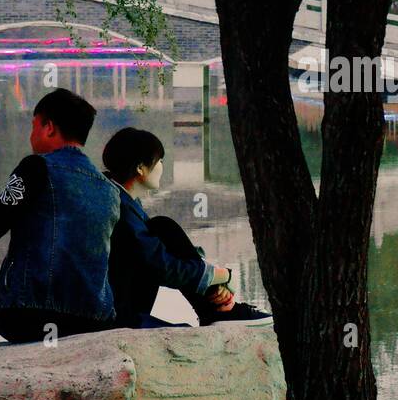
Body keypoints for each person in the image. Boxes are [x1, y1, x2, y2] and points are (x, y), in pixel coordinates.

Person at [0, 88, 121, 348]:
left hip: (29, 318)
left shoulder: (36, 168)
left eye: (34, 126)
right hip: (93, 323)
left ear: (49, 128)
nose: (32, 135)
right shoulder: (109, 189)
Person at [102, 127, 272, 326]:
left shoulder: (119, 197)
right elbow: (162, 267)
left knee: (161, 227)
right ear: (140, 168)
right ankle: (218, 310)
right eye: (159, 161)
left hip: (121, 298)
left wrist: (212, 276)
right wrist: (222, 275)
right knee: (163, 228)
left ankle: (217, 308)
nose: (162, 167)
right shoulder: (120, 209)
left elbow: (158, 258)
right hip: (117, 313)